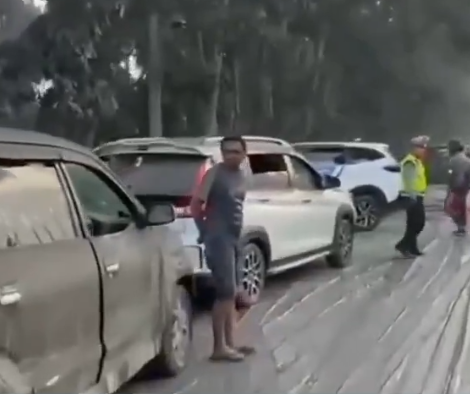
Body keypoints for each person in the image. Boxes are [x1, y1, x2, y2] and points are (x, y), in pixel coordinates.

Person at [190, 135, 254, 362]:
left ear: (244, 153)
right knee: (225, 292)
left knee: (233, 292)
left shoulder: (241, 175)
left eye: (236, 151)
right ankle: (219, 347)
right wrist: (205, 231)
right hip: (218, 238)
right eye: (226, 151)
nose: (231, 155)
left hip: (233, 237)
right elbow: (196, 205)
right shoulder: (214, 174)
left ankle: (231, 342)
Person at [395, 135, 429, 258]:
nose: (423, 150)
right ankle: (403, 245)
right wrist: (412, 196)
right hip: (412, 197)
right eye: (421, 148)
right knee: (418, 223)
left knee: (413, 224)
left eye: (424, 148)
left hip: (418, 195)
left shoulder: (417, 161)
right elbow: (409, 181)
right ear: (414, 148)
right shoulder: (410, 162)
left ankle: (412, 248)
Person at [446, 139, 470, 235]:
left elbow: (453, 174)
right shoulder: (465, 158)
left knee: (451, 207)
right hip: (464, 185)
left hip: (458, 186)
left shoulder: (454, 160)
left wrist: (451, 187)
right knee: (460, 206)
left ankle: (461, 227)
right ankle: (461, 227)